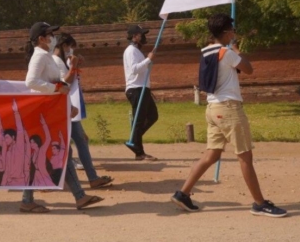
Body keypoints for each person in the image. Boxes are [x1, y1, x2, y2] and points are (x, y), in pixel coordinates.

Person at [171, 13, 288, 217]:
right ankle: (259, 203)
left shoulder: (206, 52)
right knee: (245, 156)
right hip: (228, 109)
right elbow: (249, 69)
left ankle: (183, 193)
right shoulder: (226, 53)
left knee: (211, 155)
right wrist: (236, 50)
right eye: (232, 30)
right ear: (226, 32)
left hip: (212, 108)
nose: (234, 33)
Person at [19, 22, 104, 213]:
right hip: (42, 113)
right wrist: (57, 89)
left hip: (49, 111)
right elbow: (31, 81)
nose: (53, 38)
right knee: (59, 152)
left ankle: (30, 199)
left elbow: (58, 84)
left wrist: (68, 104)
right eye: (50, 34)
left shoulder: (45, 56)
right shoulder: (39, 57)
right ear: (41, 38)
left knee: (54, 153)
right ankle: (78, 196)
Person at [53, 33, 112, 189]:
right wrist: (73, 67)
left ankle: (91, 178)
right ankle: (85, 181)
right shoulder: (55, 62)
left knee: (79, 141)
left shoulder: (60, 61)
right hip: (62, 109)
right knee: (67, 146)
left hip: (67, 108)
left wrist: (75, 66)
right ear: (63, 45)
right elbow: (64, 83)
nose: (70, 50)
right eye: (69, 46)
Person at [123, 24, 159, 161]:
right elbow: (134, 69)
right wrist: (149, 59)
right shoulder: (131, 51)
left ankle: (134, 139)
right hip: (136, 88)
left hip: (143, 88)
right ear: (134, 36)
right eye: (141, 34)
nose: (143, 37)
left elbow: (143, 69)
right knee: (139, 121)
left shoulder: (137, 51)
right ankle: (139, 151)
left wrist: (149, 60)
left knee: (152, 116)